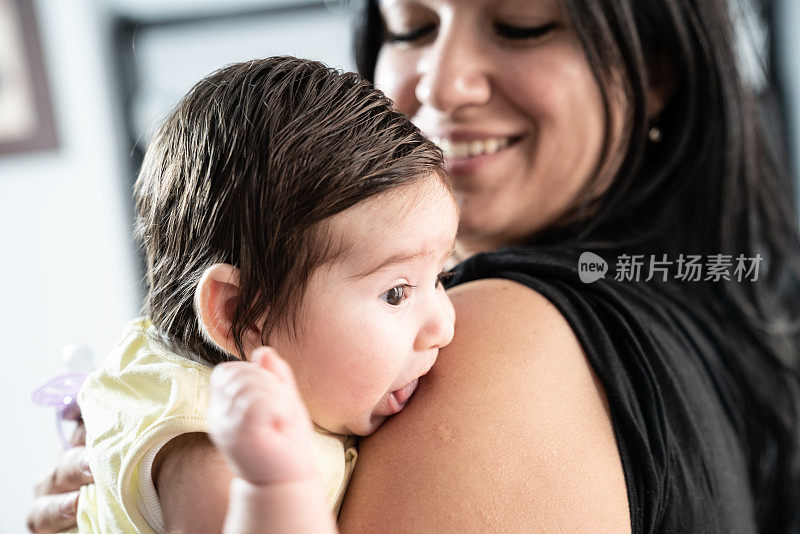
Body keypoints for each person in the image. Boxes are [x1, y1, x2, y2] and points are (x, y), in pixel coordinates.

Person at [27, 0, 800, 532]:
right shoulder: (697, 309)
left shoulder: (507, 340)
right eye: (412, 26)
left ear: (658, 68)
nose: (441, 82)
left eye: (523, 24)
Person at [71, 56, 458, 533]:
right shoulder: (217, 452)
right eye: (396, 293)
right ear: (242, 313)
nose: (444, 326)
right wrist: (277, 489)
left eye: (441, 275)